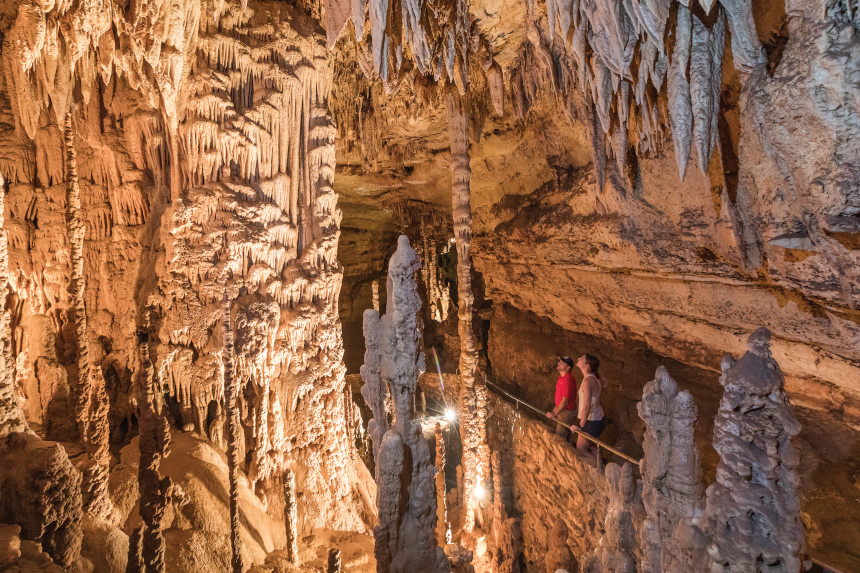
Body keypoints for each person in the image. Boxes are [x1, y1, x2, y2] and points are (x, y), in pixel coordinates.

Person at [570, 353, 606, 462]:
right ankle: (601, 465)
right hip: (597, 418)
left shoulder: (587, 381)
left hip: (591, 420)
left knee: (581, 448)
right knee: (592, 447)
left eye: (581, 358)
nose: (578, 358)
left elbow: (586, 407)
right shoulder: (595, 378)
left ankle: (601, 471)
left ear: (587, 365)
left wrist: (579, 426)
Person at [546, 356, 578, 441]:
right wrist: (554, 411)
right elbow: (560, 399)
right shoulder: (561, 377)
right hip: (562, 410)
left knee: (560, 438)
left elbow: (564, 401)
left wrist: (554, 413)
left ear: (568, 368)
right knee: (560, 434)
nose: (558, 363)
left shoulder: (567, 379)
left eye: (562, 363)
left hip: (567, 412)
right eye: (559, 361)